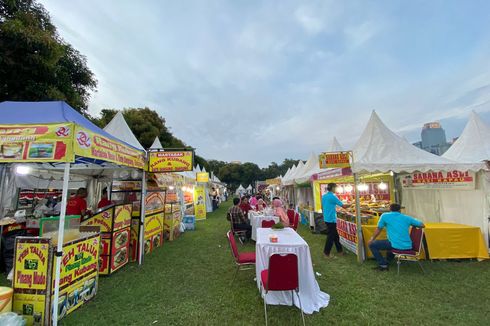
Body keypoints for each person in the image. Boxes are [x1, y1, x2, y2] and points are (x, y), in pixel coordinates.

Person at [368, 203, 425, 271]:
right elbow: (422, 225)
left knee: (372, 244)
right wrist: (414, 224)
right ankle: (387, 261)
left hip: (395, 245)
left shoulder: (385, 216)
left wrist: (372, 239)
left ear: (389, 209)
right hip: (408, 245)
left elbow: (378, 229)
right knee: (389, 242)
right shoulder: (406, 217)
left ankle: (383, 264)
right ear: (400, 210)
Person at [321, 183, 350, 258]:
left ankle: (340, 251)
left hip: (327, 218)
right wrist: (353, 204)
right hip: (331, 219)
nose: (336, 189)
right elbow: (343, 206)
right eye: (336, 188)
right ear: (333, 188)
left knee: (335, 236)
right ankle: (326, 253)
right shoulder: (332, 196)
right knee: (330, 237)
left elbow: (323, 207)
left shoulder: (324, 196)